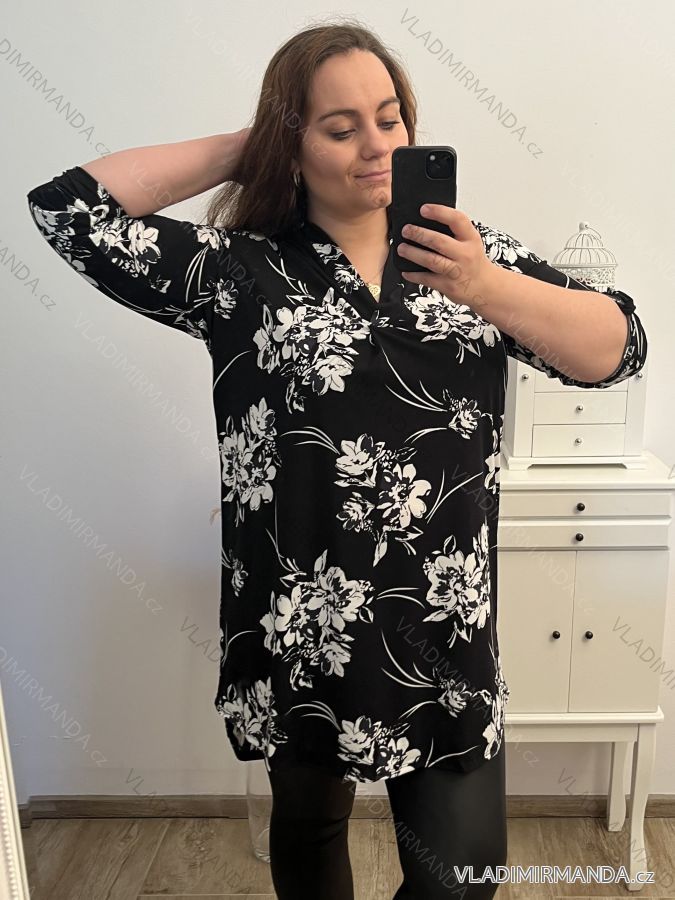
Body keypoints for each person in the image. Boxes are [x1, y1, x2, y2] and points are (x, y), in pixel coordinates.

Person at [25, 18, 647, 899]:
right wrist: (252, 143)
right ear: (293, 143)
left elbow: (616, 349)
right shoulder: (240, 273)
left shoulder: (469, 259)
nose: (376, 145)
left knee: (462, 881)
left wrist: (483, 286)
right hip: (302, 629)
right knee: (312, 831)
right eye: (339, 127)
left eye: (389, 119)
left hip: (443, 635)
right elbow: (68, 210)